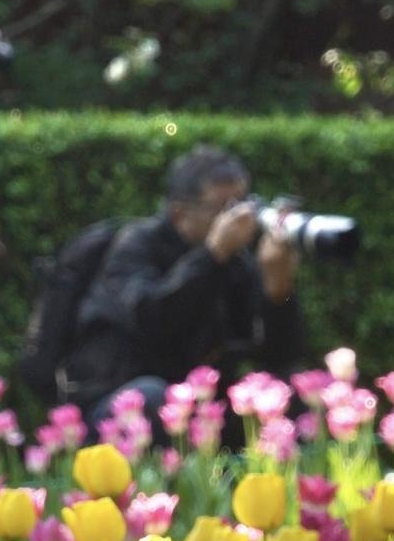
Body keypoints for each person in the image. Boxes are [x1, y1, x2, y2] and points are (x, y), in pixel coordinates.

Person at [63, 145, 304, 431]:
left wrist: (279, 293)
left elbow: (279, 355)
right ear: (179, 213)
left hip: (199, 410)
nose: (237, 219)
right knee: (151, 397)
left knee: (290, 392)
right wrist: (212, 257)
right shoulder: (136, 246)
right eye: (224, 208)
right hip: (118, 404)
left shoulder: (236, 262)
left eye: (243, 205)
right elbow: (154, 320)